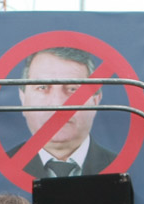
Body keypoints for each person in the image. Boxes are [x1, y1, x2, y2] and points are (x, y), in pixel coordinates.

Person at [9, 47, 116, 179]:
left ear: (95, 100)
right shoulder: (0, 169)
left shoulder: (124, 169)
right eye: (42, 87)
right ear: (23, 99)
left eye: (72, 89)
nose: (58, 104)